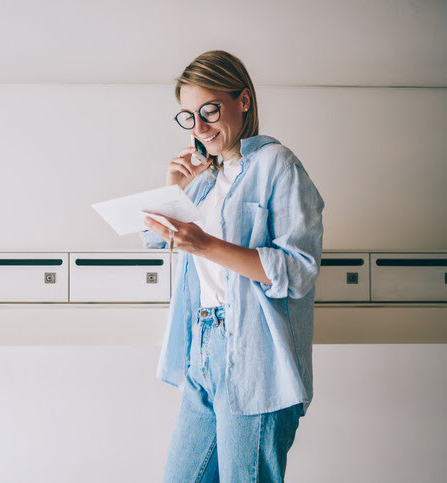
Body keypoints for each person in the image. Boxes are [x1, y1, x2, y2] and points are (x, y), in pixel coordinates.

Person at [140, 50, 325, 482]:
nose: (200, 128)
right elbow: (154, 237)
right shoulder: (205, 178)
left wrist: (206, 245)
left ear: (243, 100)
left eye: (210, 110)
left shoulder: (277, 165)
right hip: (201, 347)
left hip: (256, 356)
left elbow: (297, 269)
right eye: (188, 117)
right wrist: (174, 187)